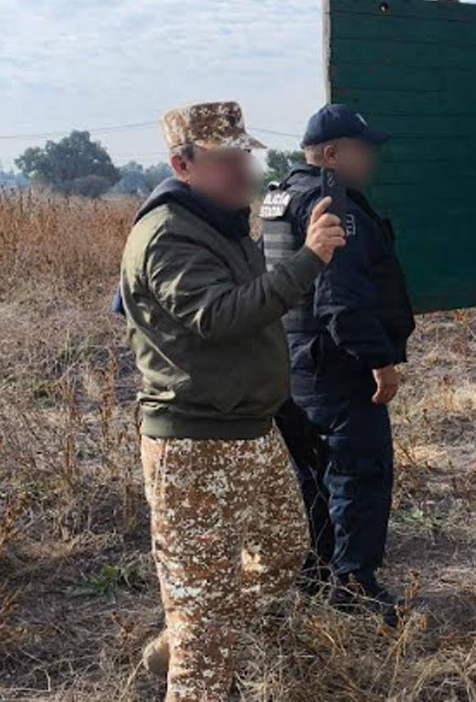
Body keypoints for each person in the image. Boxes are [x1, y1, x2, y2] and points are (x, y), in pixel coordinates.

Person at [118, 101, 346, 701]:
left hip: (249, 430)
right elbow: (219, 317)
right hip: (192, 447)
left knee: (279, 552)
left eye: (243, 156)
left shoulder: (219, 220)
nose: (242, 172)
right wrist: (309, 260)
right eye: (225, 161)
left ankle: (187, 626)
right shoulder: (168, 234)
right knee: (207, 646)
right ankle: (193, 636)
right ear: (182, 164)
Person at [262, 103, 415, 624]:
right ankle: (354, 587)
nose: (371, 159)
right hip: (336, 366)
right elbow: (340, 302)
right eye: (363, 149)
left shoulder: (279, 197)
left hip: (291, 363)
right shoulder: (332, 204)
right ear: (332, 153)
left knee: (314, 473)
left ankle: (318, 571)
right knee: (358, 473)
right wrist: (380, 361)